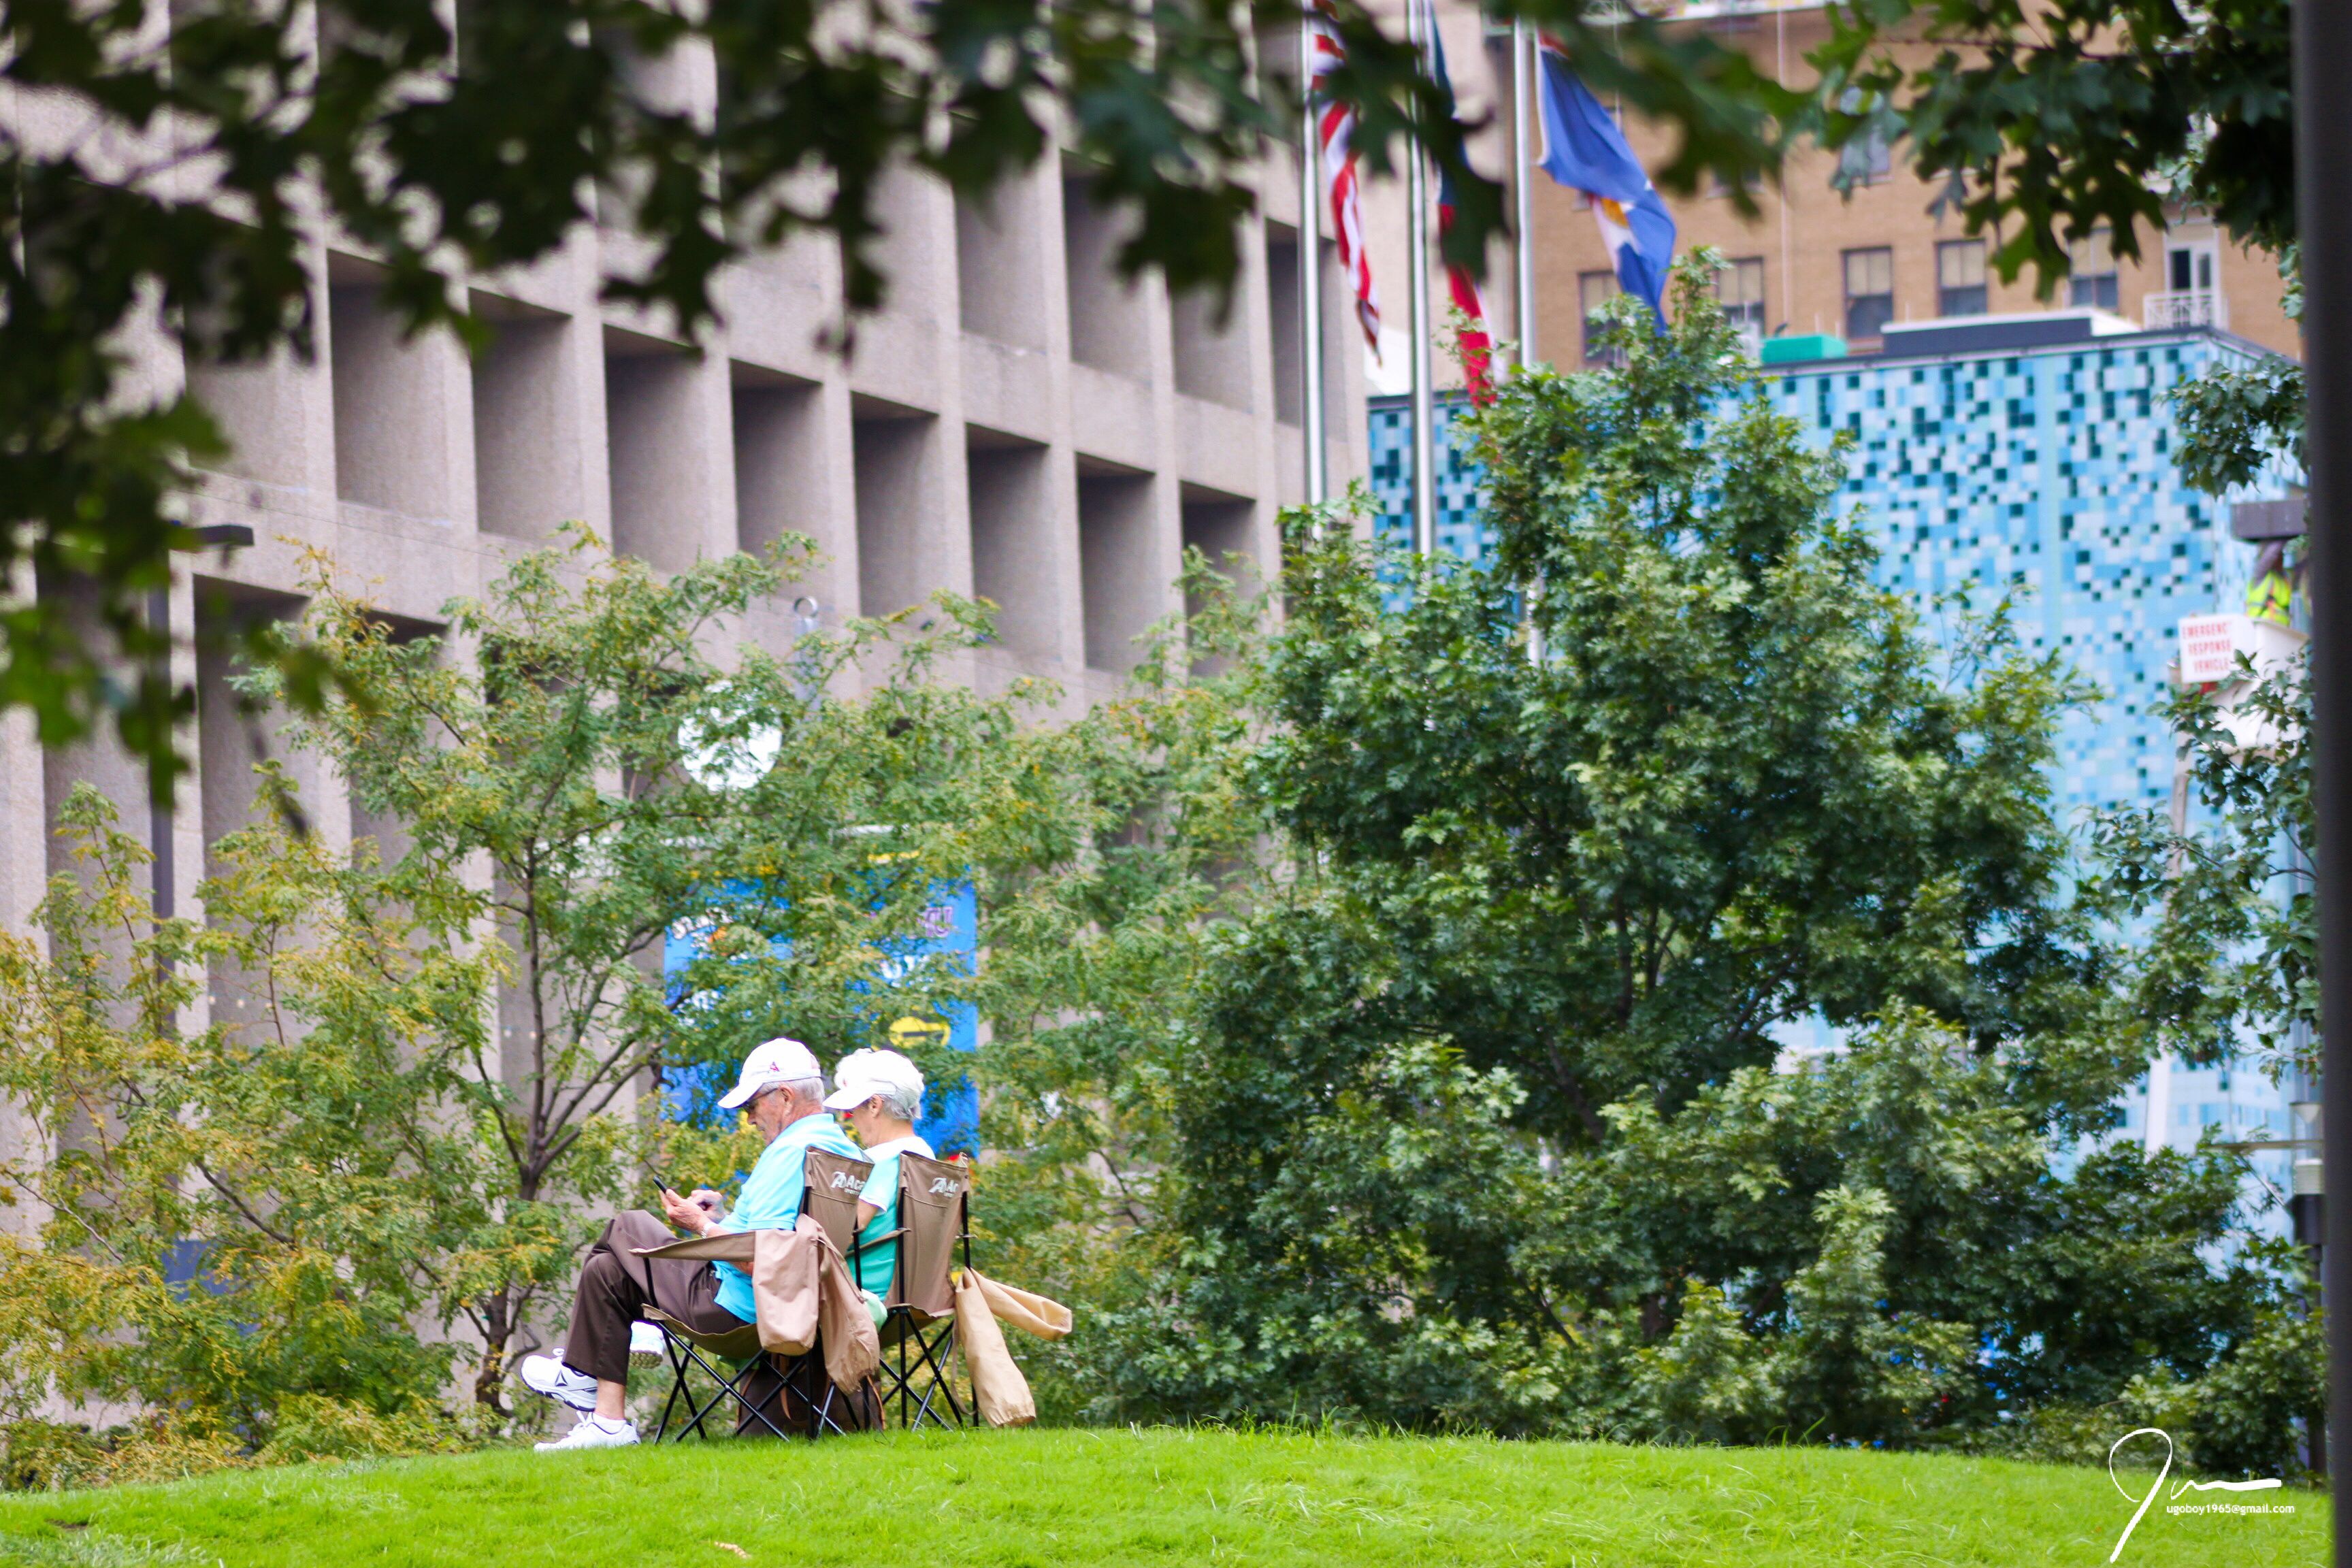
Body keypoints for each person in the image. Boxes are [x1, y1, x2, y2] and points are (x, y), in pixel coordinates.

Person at [517, 1036, 862, 1450]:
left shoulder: (790, 1153)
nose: (750, 1119)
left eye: (752, 1105)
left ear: (785, 1097)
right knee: (607, 1271)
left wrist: (699, 1224)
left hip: (735, 1309)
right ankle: (608, 1424)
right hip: (796, 1308)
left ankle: (581, 1374)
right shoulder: (840, 1150)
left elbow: (762, 1261)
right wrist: (720, 1220)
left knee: (628, 1225)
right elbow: (789, 1242)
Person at [821, 1047, 934, 1299]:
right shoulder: (925, 1154)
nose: (852, 1120)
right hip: (912, 1296)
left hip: (859, 1297)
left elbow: (843, 1233)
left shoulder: (881, 1161)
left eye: (853, 1111)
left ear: (874, 1105)